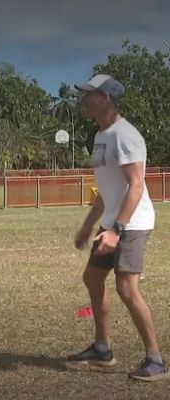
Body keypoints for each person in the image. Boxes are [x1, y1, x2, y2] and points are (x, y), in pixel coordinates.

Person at [67, 74, 167, 381]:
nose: (84, 99)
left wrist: (117, 230)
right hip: (112, 222)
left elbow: (136, 186)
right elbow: (106, 190)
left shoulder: (126, 135)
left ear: (106, 98)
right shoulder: (101, 135)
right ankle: (102, 349)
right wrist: (89, 227)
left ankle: (156, 360)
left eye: (89, 94)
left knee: (126, 288)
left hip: (132, 223)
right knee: (93, 277)